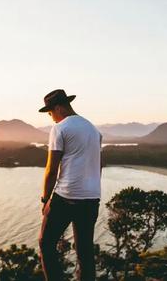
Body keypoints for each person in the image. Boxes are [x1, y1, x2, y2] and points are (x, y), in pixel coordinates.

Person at [38, 89, 102, 281]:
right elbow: (97, 167)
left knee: (46, 244)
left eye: (50, 113)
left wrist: (45, 199)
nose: (51, 118)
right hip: (91, 198)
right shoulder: (93, 129)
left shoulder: (60, 128)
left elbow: (51, 169)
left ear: (57, 108)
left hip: (66, 197)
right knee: (84, 251)